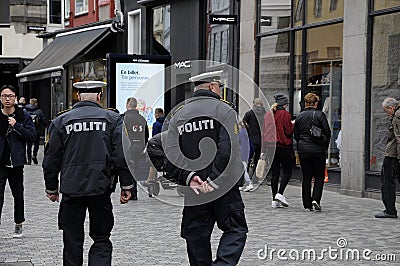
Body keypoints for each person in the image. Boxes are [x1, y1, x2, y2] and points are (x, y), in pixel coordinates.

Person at [42, 81, 134, 265]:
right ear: (100, 96)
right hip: (101, 187)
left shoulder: (61, 120)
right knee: (101, 238)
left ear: (77, 96)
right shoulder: (113, 119)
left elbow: (51, 158)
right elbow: (122, 155)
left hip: (71, 188)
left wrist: (52, 187)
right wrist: (127, 185)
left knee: (72, 239)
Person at [165, 70, 248, 265]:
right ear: (212, 86)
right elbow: (227, 149)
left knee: (196, 234)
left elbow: (171, 154)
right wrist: (215, 179)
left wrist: (188, 176)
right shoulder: (223, 109)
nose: (220, 91)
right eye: (219, 87)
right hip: (223, 185)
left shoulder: (179, 114)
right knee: (235, 229)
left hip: (194, 188)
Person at [0, 85, 36, 238]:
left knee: (18, 194)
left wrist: (17, 126)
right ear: (0, 98)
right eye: (4, 96)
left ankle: (18, 223)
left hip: (16, 162)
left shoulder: (23, 115)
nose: (7, 99)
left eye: (10, 96)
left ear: (15, 98)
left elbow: (32, 136)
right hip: (0, 162)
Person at [294, 92, 331, 211]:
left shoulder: (299, 116)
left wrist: (302, 144)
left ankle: (307, 205)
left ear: (305, 103)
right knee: (319, 176)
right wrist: (324, 146)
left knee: (306, 178)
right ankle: (316, 198)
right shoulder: (320, 115)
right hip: (318, 149)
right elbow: (327, 132)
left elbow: (296, 134)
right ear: (316, 103)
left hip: (303, 150)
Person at [263, 93, 294, 208]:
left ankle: (274, 199)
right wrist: (293, 125)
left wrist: (263, 149)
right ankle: (280, 193)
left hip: (271, 147)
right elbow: (288, 132)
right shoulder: (285, 114)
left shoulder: (268, 115)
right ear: (284, 104)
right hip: (283, 146)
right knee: (287, 171)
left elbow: (264, 132)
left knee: (275, 173)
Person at [375, 97, 400, 218]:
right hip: (396, 154)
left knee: (387, 182)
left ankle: (390, 210)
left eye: (386, 111)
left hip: (393, 154)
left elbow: (398, 137)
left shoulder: (397, 116)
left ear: (391, 108)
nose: (387, 114)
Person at [122, 97, 149, 200]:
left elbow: (122, 134)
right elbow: (146, 134)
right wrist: (143, 145)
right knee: (136, 169)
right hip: (139, 146)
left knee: (129, 169)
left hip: (129, 146)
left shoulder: (124, 118)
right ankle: (134, 192)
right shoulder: (142, 118)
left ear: (127, 105)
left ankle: (130, 191)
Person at [243, 98, 266, 182]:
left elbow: (243, 124)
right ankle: (256, 178)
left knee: (247, 159)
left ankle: (246, 178)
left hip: (251, 139)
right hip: (262, 140)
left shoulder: (249, 113)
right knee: (258, 159)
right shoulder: (265, 113)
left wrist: (248, 129)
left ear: (254, 104)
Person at [24, 98, 48, 165]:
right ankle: (34, 155)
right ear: (36, 103)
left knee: (28, 145)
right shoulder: (39, 111)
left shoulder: (25, 111)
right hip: (36, 130)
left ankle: (28, 159)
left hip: (28, 130)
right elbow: (44, 121)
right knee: (36, 143)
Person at [238, 121, 253, 192]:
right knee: (243, 169)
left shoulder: (241, 133)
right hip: (246, 154)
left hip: (241, 154)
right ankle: (242, 184)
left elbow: (237, 142)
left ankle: (249, 183)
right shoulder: (245, 133)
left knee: (244, 170)